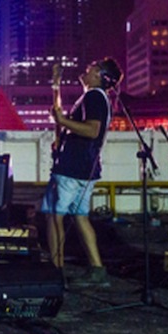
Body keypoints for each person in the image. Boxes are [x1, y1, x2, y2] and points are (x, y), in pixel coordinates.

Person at [42, 57, 123, 287]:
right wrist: (56, 85)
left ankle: (56, 271)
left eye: (91, 68)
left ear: (99, 75)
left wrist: (64, 121)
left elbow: (92, 130)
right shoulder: (97, 98)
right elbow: (60, 116)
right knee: (80, 217)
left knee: (54, 216)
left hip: (72, 168)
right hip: (86, 169)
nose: (86, 70)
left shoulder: (94, 96)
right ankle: (97, 270)